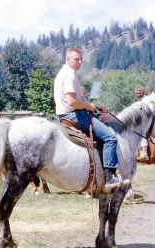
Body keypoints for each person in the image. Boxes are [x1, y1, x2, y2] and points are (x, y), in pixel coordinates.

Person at [54, 48, 121, 193]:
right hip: (74, 115)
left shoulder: (63, 74)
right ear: (67, 60)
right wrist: (89, 105)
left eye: (80, 59)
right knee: (110, 138)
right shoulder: (69, 76)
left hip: (66, 114)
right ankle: (110, 177)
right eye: (75, 59)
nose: (79, 62)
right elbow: (71, 102)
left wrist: (95, 107)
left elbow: (76, 100)